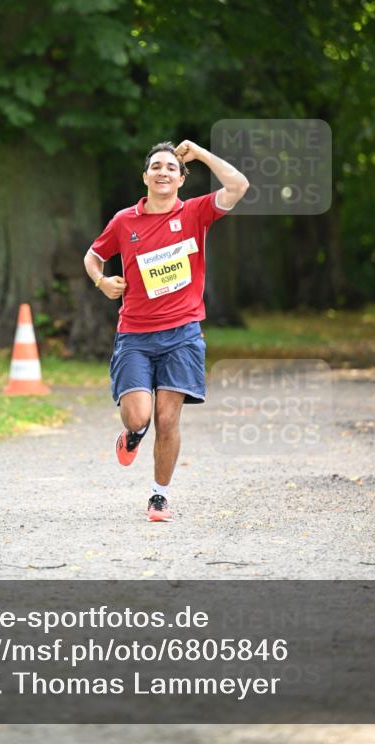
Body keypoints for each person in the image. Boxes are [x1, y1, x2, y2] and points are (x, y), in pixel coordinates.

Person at [84, 139, 249, 522]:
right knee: (139, 417)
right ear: (145, 177)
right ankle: (132, 435)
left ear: (181, 179)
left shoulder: (196, 213)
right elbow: (93, 255)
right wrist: (101, 281)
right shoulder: (125, 221)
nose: (163, 171)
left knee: (168, 419)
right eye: (156, 166)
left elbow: (238, 185)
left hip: (183, 334)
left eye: (171, 167)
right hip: (136, 335)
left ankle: (159, 496)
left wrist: (203, 154)